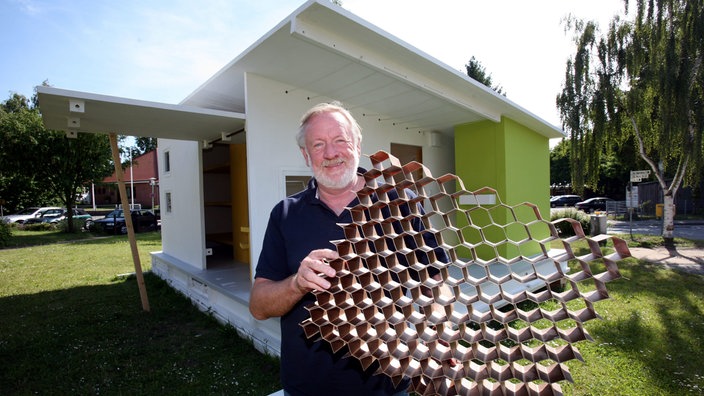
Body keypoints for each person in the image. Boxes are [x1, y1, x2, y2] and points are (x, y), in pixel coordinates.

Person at [249, 101, 449, 396]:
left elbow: (436, 280)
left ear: (357, 144)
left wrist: (438, 328)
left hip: (389, 385)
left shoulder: (400, 203)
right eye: (318, 145)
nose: (331, 153)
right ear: (306, 155)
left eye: (340, 140)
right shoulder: (285, 214)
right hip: (307, 388)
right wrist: (297, 283)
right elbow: (258, 306)